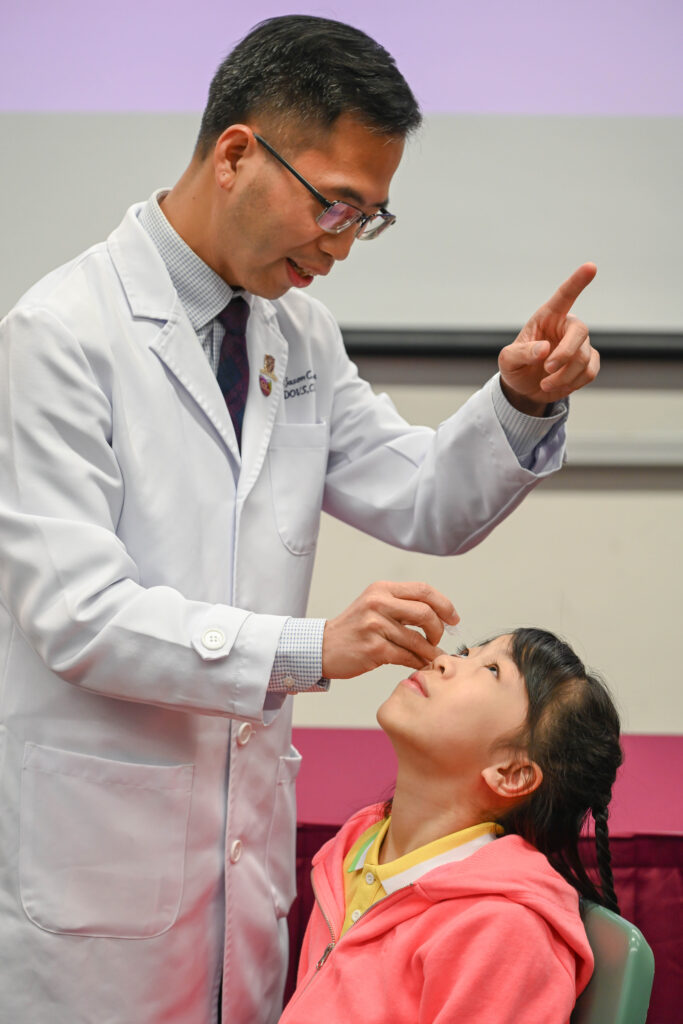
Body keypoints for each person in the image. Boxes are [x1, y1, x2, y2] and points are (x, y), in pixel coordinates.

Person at [0, 15, 600, 1024]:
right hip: (96, 872)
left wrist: (520, 402)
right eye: (335, 206)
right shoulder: (62, 336)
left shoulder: (294, 330)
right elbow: (75, 612)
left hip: (236, 866)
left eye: (368, 219)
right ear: (236, 153)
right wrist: (310, 647)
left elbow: (419, 496)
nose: (343, 245)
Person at [280, 628, 623, 1024]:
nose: (443, 660)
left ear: (510, 773)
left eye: (492, 669)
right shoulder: (356, 848)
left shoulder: (504, 934)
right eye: (465, 652)